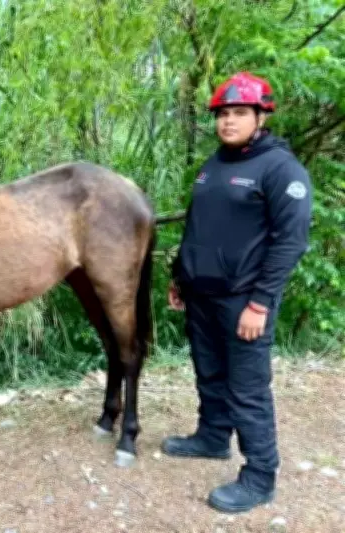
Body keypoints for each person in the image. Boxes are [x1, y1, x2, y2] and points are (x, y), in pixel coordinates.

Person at [163, 71, 313, 513]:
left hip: (245, 300)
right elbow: (198, 226)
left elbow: (291, 241)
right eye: (223, 114)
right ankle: (212, 437)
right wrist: (180, 276)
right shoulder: (214, 166)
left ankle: (260, 476)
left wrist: (260, 302)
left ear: (261, 116)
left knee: (247, 389)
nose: (228, 121)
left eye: (239, 113)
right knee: (209, 373)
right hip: (202, 295)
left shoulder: (281, 169)